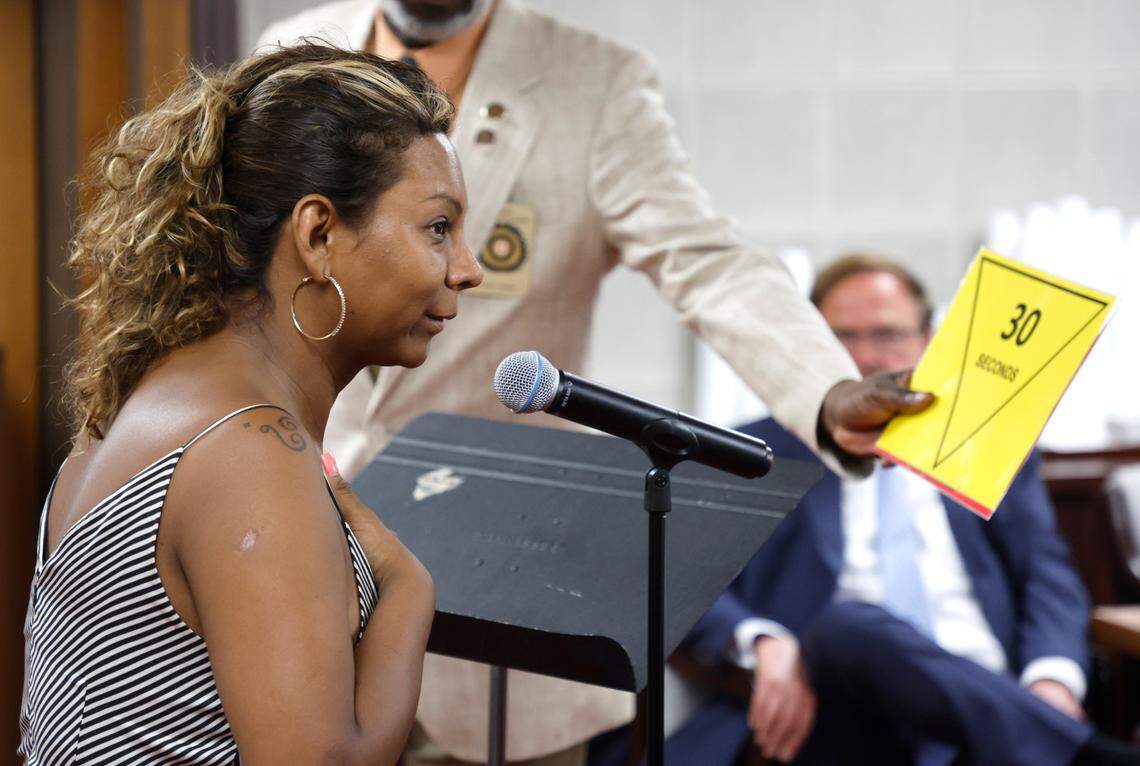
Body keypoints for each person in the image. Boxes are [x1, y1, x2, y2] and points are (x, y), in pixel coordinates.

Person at [257, 3, 933, 765]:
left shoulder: (595, 82)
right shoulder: (295, 49)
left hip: (506, 596)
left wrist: (827, 390)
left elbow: (705, 260)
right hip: (314, 579)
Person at [18, 44, 483, 765]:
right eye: (438, 228)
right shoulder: (248, 450)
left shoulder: (157, 400)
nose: (468, 269)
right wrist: (405, 592)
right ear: (318, 235)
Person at [674, 254, 1140, 765]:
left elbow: (1047, 576)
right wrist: (762, 641)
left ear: (928, 339)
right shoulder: (756, 452)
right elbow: (688, 582)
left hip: (984, 703)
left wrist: (1051, 681)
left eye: (887, 334)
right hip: (831, 710)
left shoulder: (983, 441)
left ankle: (1038, 737)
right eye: (840, 337)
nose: (865, 357)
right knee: (850, 626)